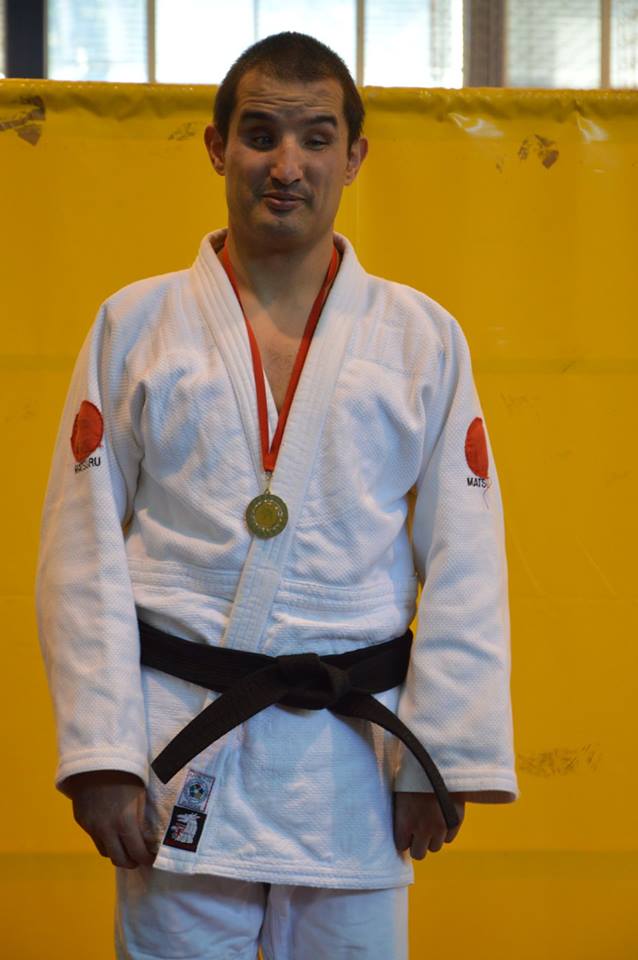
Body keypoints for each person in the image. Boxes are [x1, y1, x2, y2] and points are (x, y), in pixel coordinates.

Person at [36, 31, 519, 960]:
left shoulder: (421, 337)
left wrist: (443, 753)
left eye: (315, 138)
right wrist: (100, 755)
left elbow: (468, 556)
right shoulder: (135, 325)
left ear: (355, 155)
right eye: (260, 135)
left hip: (350, 768)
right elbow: (79, 550)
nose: (286, 165)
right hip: (181, 750)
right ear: (217, 147)